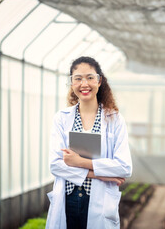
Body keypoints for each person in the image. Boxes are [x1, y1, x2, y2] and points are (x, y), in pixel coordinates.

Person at [46, 56, 132, 229]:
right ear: (71, 83)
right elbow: (55, 165)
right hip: (67, 200)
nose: (84, 84)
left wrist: (80, 162)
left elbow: (124, 167)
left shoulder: (114, 119)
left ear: (99, 81)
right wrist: (99, 173)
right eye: (78, 78)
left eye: (90, 77)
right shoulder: (62, 119)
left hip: (100, 200)